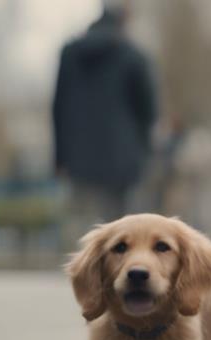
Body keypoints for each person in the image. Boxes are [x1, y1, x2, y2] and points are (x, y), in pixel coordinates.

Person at [52, 0, 156, 237]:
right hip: (123, 159)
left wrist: (59, 157)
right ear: (124, 18)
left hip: (78, 156)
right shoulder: (135, 57)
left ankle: (81, 271)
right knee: (122, 231)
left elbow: (58, 107)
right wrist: (145, 153)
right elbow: (148, 112)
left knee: (81, 228)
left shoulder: (70, 54)